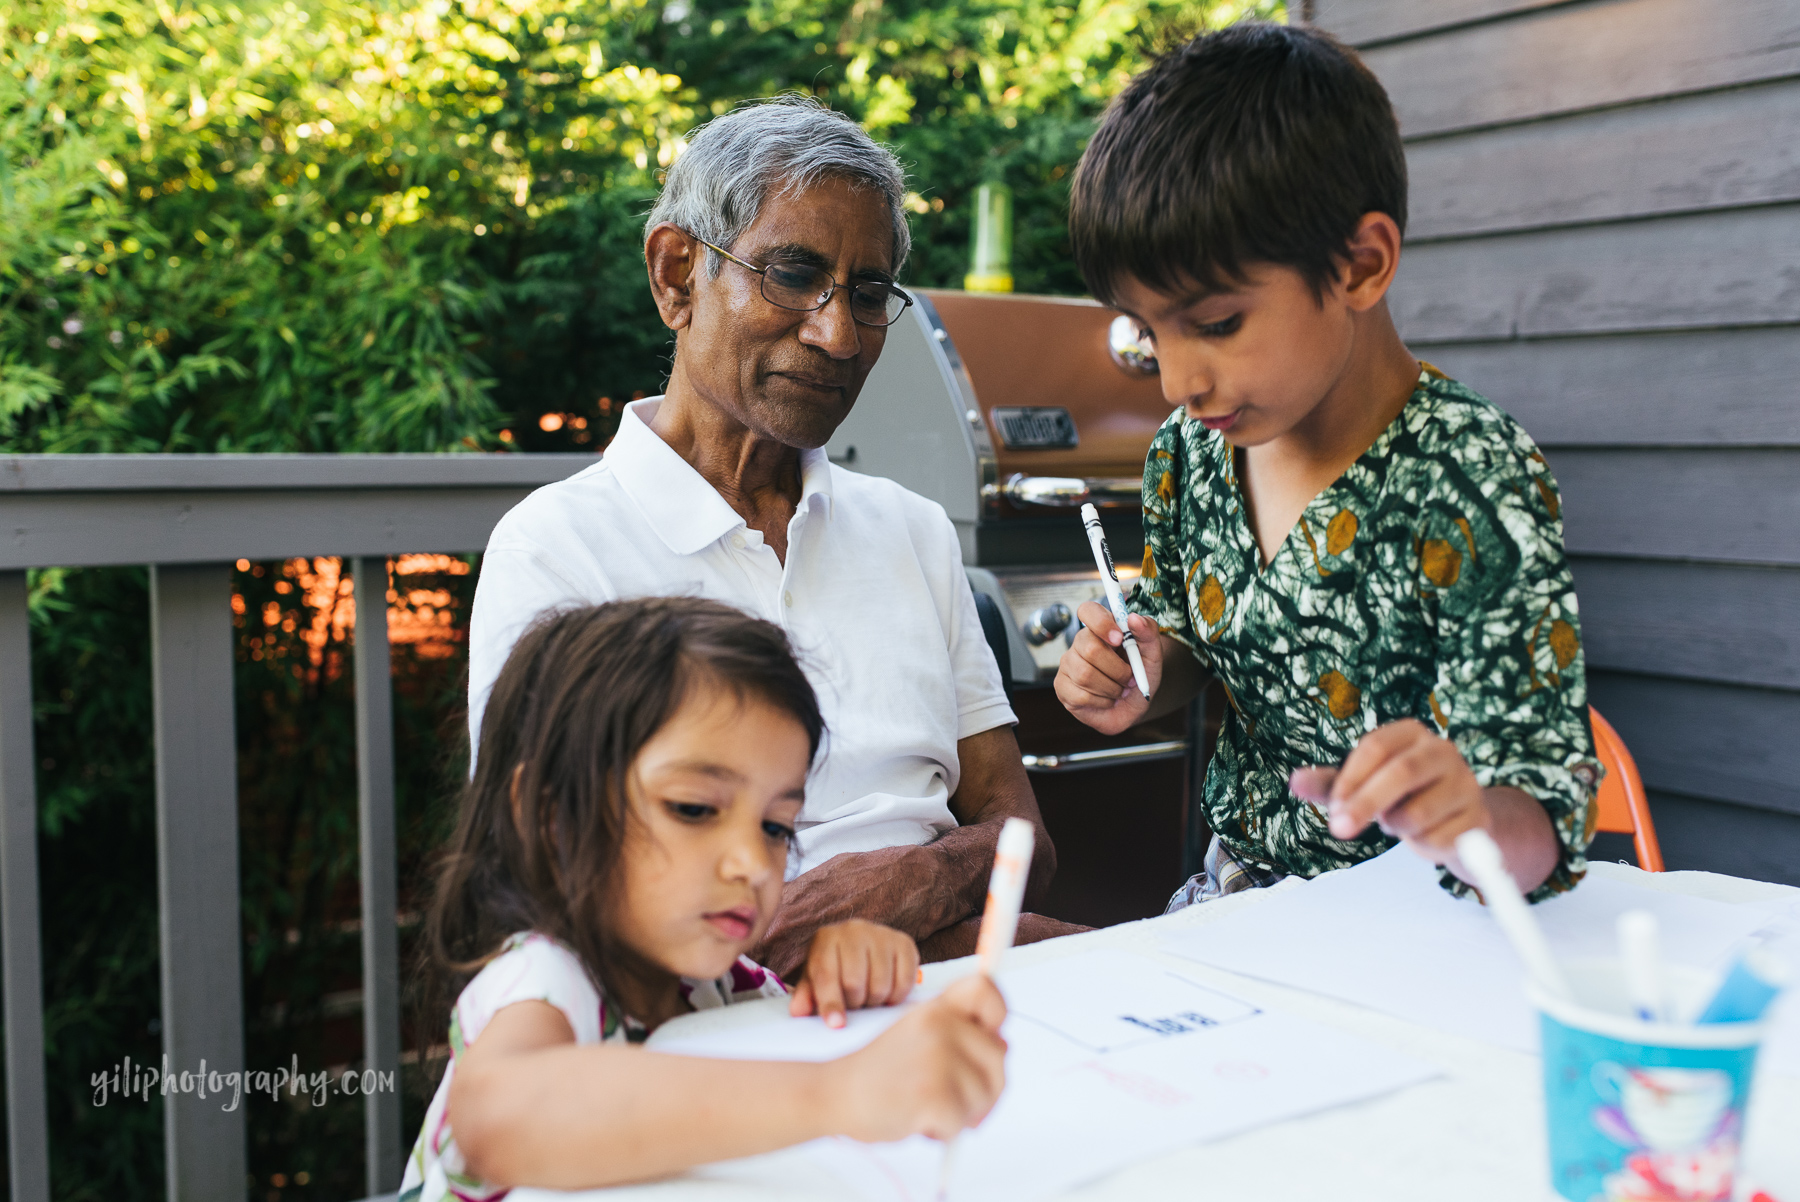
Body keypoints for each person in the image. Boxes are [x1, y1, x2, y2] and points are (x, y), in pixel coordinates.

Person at [468, 96, 1079, 979]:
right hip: (720, 1008)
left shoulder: (912, 531)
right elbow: (541, 883)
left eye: (868, 295)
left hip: (956, 973)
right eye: (791, 275)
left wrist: (912, 880)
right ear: (677, 274)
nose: (837, 334)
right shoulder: (557, 549)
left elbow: (1025, 841)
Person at [1055, 23, 1601, 909]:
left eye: (1216, 323)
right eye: (1147, 333)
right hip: (1239, 903)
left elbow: (1538, 818)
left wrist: (1472, 818)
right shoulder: (1190, 457)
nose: (1178, 382)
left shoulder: (1467, 474)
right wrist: (1145, 668)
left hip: (1432, 923)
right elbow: (1204, 641)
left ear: (1361, 264)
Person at [402, 597, 1008, 1199]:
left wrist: (846, 972)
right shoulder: (542, 979)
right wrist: (838, 1090)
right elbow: (502, 1115)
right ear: (550, 815)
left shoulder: (718, 986)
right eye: (694, 809)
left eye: (776, 827)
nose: (751, 864)